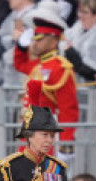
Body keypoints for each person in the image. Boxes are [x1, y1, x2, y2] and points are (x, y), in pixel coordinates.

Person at [13, 4, 78, 151]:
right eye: (34, 37)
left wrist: (65, 145)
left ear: (54, 40)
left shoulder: (60, 67)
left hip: (46, 140)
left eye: (40, 38)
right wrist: (21, 46)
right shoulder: (38, 65)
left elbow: (68, 110)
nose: (34, 42)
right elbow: (19, 64)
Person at [62, 0, 96, 82]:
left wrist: (70, 52)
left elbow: (91, 71)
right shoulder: (76, 29)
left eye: (85, 12)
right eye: (80, 11)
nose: (80, 15)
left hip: (90, 89)